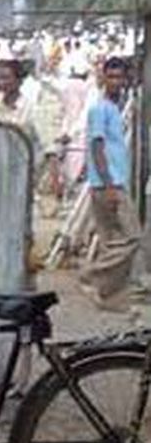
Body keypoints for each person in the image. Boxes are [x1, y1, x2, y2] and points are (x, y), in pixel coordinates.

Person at [80, 57, 140, 310]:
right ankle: (91, 275)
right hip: (108, 184)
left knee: (111, 241)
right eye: (111, 77)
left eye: (120, 77)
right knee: (131, 237)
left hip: (112, 181)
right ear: (103, 78)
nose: (116, 82)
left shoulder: (115, 108)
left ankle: (108, 296)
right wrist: (110, 184)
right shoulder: (99, 109)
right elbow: (97, 146)